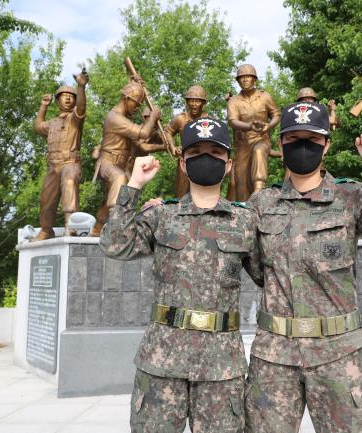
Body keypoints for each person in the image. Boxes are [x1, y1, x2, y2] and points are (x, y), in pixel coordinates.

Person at [244, 101, 362, 433]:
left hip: (338, 355)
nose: (302, 146)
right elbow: (255, 266)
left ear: (326, 145)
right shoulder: (261, 204)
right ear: (281, 144)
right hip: (274, 357)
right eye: (293, 139)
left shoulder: (350, 197)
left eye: (312, 140)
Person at [100, 117, 262, 433]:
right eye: (196, 152)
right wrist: (132, 186)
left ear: (228, 165)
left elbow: (270, 277)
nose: (205, 158)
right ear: (184, 164)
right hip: (161, 361)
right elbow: (114, 246)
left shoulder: (245, 221)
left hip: (221, 366)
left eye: (214, 153)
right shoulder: (161, 214)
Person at [89, 80, 162, 237]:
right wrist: (153, 117)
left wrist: (137, 83)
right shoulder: (115, 118)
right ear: (126, 99)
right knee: (120, 179)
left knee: (118, 192)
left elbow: (141, 142)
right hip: (108, 164)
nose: (136, 109)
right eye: (136, 104)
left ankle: (97, 228)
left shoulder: (123, 118)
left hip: (120, 163)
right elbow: (142, 133)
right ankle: (119, 225)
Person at [32, 69, 88, 240]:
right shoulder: (52, 123)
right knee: (46, 198)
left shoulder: (75, 118)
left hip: (70, 162)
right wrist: (43, 106)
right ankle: (46, 229)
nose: (68, 98)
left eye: (71, 96)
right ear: (58, 100)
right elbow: (37, 126)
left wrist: (81, 87)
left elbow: (81, 107)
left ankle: (71, 225)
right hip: (53, 165)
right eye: (64, 95)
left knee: (69, 182)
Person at [227, 64, 281, 201]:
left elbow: (276, 114)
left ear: (254, 79)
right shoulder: (233, 101)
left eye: (248, 77)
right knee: (241, 185)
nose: (245, 80)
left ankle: (259, 192)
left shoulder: (265, 97)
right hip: (242, 144)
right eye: (241, 78)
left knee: (259, 151)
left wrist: (269, 126)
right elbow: (232, 121)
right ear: (238, 81)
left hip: (261, 139)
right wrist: (249, 126)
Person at [164, 85, 209, 198]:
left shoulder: (208, 120)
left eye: (197, 101)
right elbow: (167, 131)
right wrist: (173, 147)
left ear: (203, 103)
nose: (194, 104)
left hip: (203, 160)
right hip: (185, 160)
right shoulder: (180, 119)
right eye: (191, 101)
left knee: (202, 194)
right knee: (181, 194)